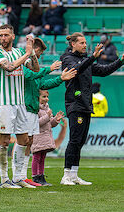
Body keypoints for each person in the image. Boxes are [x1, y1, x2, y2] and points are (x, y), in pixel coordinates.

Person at [59, 33, 123, 185]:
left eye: (85, 42)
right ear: (73, 44)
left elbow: (104, 70)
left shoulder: (86, 60)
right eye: (81, 42)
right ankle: (66, 175)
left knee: (80, 141)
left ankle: (74, 174)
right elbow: (77, 69)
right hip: (75, 103)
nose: (85, 45)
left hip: (86, 104)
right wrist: (93, 57)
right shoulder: (67, 59)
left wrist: (120, 61)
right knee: (74, 140)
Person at [17, 39, 77, 187]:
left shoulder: (35, 69)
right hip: (24, 108)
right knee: (23, 142)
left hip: (31, 109)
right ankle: (21, 176)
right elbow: (30, 76)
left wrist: (60, 78)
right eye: (40, 52)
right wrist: (49, 69)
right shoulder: (23, 64)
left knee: (28, 143)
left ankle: (25, 177)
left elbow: (42, 84)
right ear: (33, 49)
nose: (40, 55)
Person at [0, 25, 39, 188]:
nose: (3, 38)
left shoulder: (18, 52)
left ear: (13, 36)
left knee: (24, 140)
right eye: (1, 35)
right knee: (4, 141)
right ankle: (4, 179)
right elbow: (9, 67)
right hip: (4, 103)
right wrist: (26, 54)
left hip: (20, 102)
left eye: (6, 35)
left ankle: (18, 177)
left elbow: (35, 69)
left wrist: (32, 54)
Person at [31, 90, 65, 186]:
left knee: (42, 157)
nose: (46, 99)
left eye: (47, 97)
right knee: (36, 156)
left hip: (45, 137)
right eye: (44, 97)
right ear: (37, 97)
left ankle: (41, 176)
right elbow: (36, 123)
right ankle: (35, 177)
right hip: (38, 137)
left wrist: (56, 120)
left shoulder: (47, 108)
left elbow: (49, 124)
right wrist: (47, 116)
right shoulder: (35, 109)